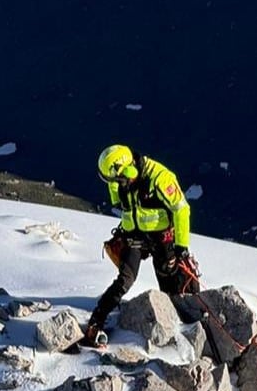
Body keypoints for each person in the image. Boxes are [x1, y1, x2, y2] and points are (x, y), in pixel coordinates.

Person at [83, 144, 200, 347]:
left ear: (129, 171)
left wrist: (181, 248)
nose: (116, 184)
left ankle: (187, 327)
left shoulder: (161, 178)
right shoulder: (120, 177)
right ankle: (96, 321)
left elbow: (181, 210)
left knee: (171, 284)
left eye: (117, 180)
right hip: (134, 236)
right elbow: (118, 199)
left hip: (162, 238)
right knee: (125, 280)